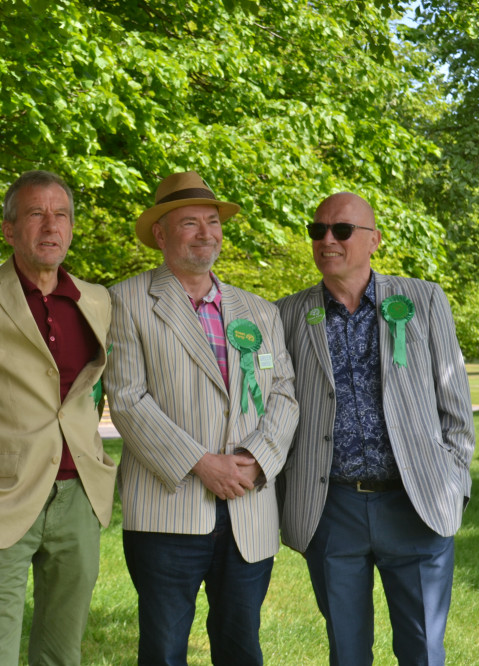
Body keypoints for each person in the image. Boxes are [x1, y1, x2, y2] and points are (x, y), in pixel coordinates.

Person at [103, 171, 298, 665]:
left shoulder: (258, 311)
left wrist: (256, 458)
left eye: (212, 222)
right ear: (162, 235)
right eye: (189, 223)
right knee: (165, 651)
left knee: (241, 647)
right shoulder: (126, 301)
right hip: (168, 510)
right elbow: (127, 399)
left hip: (249, 514)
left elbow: (284, 393)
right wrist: (201, 462)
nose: (206, 233)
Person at [276, 192, 475, 665]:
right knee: (347, 652)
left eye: (342, 230)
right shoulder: (288, 313)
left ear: (374, 241)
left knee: (422, 649)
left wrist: (452, 478)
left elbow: (456, 408)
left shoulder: (423, 300)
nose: (327, 239)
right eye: (317, 230)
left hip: (416, 502)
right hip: (333, 507)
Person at [0, 170, 117, 665]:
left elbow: (90, 392)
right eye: (36, 214)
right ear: (9, 228)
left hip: (78, 495)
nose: (50, 226)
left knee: (63, 650)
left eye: (61, 215)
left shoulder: (97, 300)